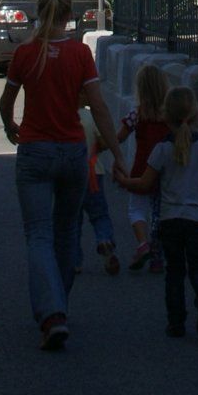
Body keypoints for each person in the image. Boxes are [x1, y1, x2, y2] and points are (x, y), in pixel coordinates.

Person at [0, 0, 125, 351]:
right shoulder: (80, 53)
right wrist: (116, 152)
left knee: (38, 235)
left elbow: (7, 100)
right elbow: (98, 107)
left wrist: (10, 126)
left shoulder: (25, 53)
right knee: (68, 231)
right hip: (73, 151)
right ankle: (59, 306)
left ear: (38, 13)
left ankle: (52, 313)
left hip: (35, 151)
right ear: (70, 16)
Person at [115, 85, 198, 340]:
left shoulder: (162, 150)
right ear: (196, 115)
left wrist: (125, 181)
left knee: (175, 271)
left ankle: (176, 322)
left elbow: (145, 184)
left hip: (171, 220)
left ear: (165, 116)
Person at [115, 64, 172, 273]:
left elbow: (120, 136)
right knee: (160, 212)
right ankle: (158, 253)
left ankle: (142, 243)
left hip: (142, 167)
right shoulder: (170, 116)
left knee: (136, 209)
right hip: (166, 170)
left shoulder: (137, 114)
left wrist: (104, 145)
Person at [76, 107, 119, 275]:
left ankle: (75, 261)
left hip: (71, 175)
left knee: (73, 220)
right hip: (94, 172)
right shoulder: (89, 116)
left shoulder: (64, 114)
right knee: (100, 214)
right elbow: (103, 141)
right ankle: (104, 239)